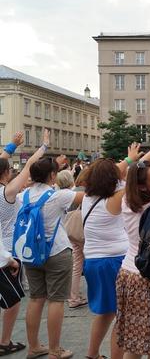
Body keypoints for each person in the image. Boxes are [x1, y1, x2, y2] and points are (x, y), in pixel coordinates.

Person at [19, 154, 84, 359]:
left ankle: (34, 346)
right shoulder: (59, 195)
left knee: (36, 298)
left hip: (31, 253)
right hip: (56, 252)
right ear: (52, 176)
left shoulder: (24, 196)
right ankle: (55, 350)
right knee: (56, 300)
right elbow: (87, 195)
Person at [83, 145, 142, 359]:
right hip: (112, 262)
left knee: (105, 313)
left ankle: (92, 354)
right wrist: (137, 161)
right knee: (122, 316)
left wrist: (129, 159)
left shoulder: (88, 197)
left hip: (92, 261)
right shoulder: (116, 197)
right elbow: (135, 181)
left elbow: (109, 172)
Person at [0, 131, 48, 356]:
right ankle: (4, 341)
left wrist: (11, 147)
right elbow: (29, 165)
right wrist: (44, 147)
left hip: (5, 251)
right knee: (13, 299)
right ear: (6, 173)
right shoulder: (7, 193)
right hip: (7, 252)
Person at [116, 159, 150, 359]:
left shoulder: (127, 200)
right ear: (142, 186)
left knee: (135, 341)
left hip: (128, 272)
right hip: (146, 277)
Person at [67, 168, 90, 309]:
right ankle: (94, 294)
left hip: (73, 232)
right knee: (91, 262)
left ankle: (73, 297)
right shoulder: (87, 192)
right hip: (85, 232)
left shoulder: (74, 190)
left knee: (77, 265)